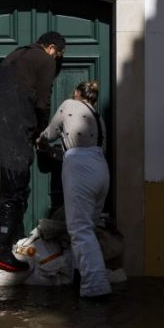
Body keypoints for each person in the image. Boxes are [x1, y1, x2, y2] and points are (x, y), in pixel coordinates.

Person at [0, 31, 66, 274]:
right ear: (51, 47)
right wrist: (42, 133)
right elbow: (43, 101)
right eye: (58, 54)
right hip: (16, 129)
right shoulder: (45, 60)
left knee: (8, 190)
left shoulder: (14, 55)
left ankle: (13, 244)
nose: (58, 59)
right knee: (14, 192)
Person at [36, 81, 111, 298]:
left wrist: (40, 142)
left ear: (77, 93)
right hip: (101, 169)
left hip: (80, 170)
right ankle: (80, 278)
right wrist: (55, 153)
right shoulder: (99, 119)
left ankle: (96, 287)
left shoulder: (69, 105)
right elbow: (81, 148)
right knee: (89, 228)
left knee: (80, 231)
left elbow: (50, 133)